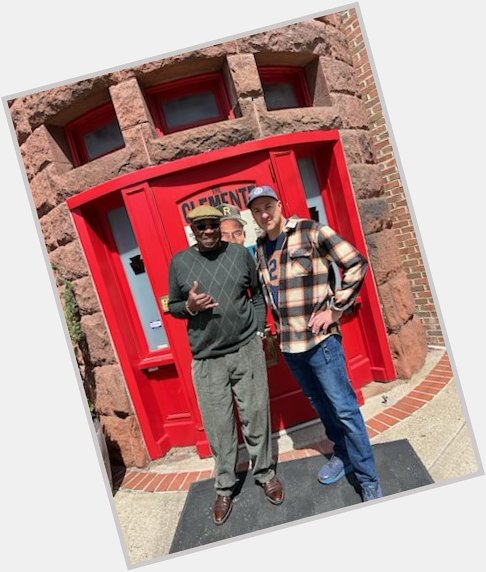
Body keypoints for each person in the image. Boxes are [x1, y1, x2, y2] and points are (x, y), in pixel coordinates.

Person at [248, 185, 383, 502]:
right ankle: (343, 454)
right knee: (322, 406)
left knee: (345, 410)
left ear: (280, 205)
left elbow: (355, 262)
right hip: (291, 347)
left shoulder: (310, 230)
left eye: (268, 206)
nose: (264, 214)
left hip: (321, 343)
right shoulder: (259, 248)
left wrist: (335, 309)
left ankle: (369, 480)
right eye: (257, 210)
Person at [168, 205, 284, 525]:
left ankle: (265, 474)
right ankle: (224, 486)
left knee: (256, 416)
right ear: (192, 228)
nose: (207, 230)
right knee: (220, 430)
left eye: (212, 225)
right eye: (200, 226)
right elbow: (174, 306)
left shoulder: (238, 254)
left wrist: (260, 329)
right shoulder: (180, 262)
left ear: (220, 226)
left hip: (246, 349)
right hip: (207, 360)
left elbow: (257, 293)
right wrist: (189, 306)